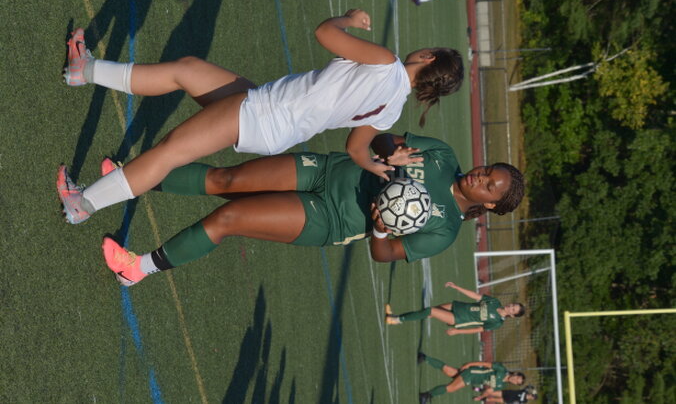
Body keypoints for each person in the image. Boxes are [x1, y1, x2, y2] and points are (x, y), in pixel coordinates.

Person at [57, 9, 465, 224]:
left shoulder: (387, 63)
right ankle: (83, 69)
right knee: (188, 70)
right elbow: (356, 148)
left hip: (266, 113)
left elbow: (325, 33)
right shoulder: (393, 108)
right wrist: (376, 164)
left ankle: (83, 203)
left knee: (169, 152)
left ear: (429, 58)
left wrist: (349, 19)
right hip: (274, 121)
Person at [92, 132, 524, 286]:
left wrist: (379, 227)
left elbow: (385, 253)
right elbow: (381, 138)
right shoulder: (443, 155)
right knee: (228, 180)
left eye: (490, 185)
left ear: (490, 204)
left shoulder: (445, 230)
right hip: (328, 168)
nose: (480, 177)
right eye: (488, 170)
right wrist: (390, 153)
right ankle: (134, 180)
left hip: (330, 218)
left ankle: (138, 269)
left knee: (229, 219)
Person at [385, 281, 525, 335]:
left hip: (458, 318)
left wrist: (458, 331)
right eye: (513, 305)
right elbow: (476, 296)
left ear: (512, 315)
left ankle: (396, 320)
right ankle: (396, 317)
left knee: (430, 311)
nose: (510, 307)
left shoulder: (497, 323)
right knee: (429, 312)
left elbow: (478, 329)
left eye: (513, 309)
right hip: (458, 306)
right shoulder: (495, 302)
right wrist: (457, 287)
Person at [417, 353, 525, 403]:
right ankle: (426, 395)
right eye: (517, 378)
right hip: (472, 374)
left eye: (517, 382)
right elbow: (484, 364)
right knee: (451, 388)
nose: (515, 380)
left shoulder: (503, 385)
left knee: (447, 370)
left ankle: (424, 357)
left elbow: (489, 391)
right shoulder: (501, 369)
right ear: (515, 374)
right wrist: (469, 364)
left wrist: (481, 397)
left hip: (472, 379)